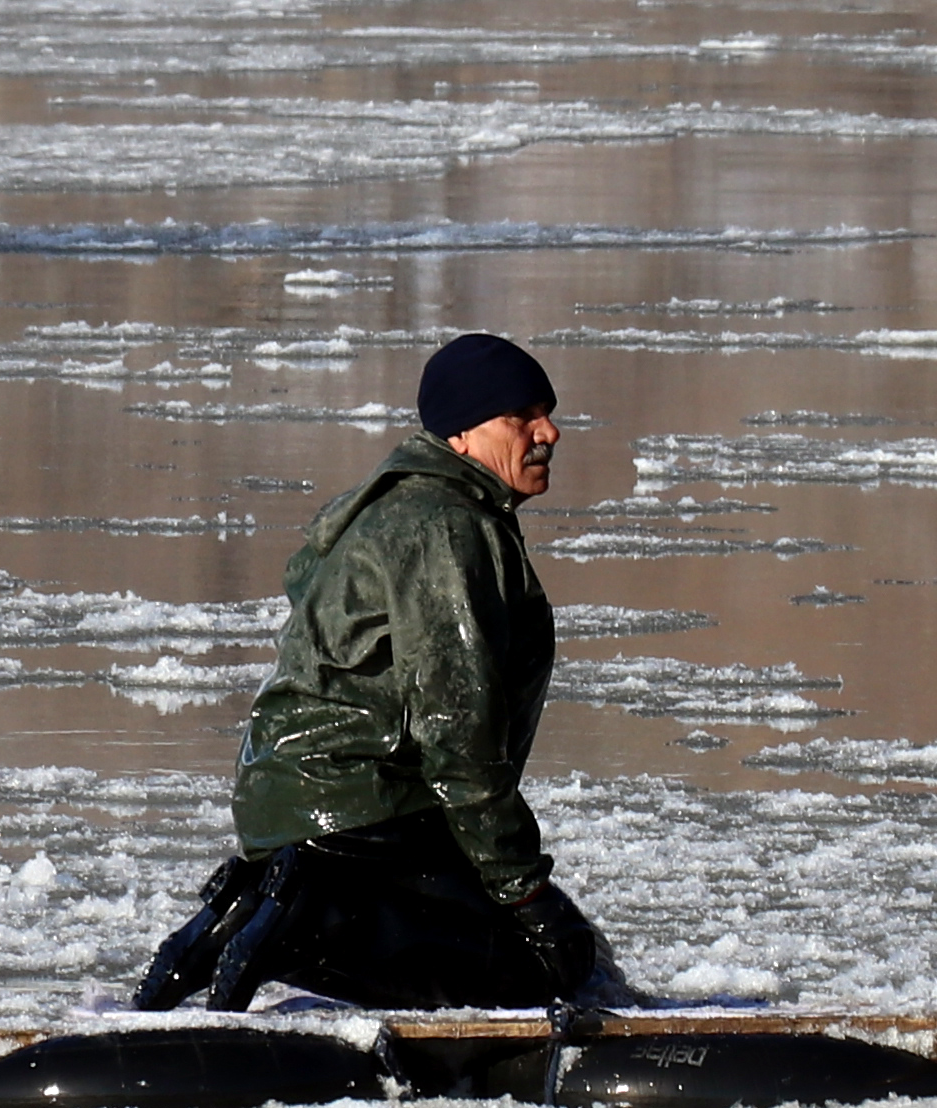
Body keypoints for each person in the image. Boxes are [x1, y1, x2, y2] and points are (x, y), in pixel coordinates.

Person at [135, 330, 634, 1015]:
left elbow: (308, 586)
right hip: (367, 806)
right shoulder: (444, 529)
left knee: (570, 954)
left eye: (546, 412)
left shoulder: (400, 505)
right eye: (523, 417)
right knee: (546, 970)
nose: (549, 431)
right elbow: (458, 733)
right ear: (463, 433)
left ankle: (246, 912)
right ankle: (305, 924)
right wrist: (523, 888)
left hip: (303, 799)